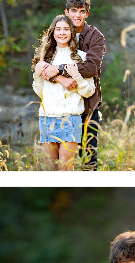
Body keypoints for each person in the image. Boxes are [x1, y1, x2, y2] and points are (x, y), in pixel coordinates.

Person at [31, 15, 96, 171]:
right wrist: (36, 75)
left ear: (72, 32)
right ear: (52, 32)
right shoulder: (45, 57)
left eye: (66, 29)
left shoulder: (81, 57)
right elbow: (38, 90)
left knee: (66, 168)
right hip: (47, 117)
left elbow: (89, 91)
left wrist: (77, 76)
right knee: (50, 168)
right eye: (58, 29)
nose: (62, 33)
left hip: (70, 118)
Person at [63, 0, 105, 172]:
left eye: (82, 11)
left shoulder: (96, 37)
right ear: (66, 12)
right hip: (61, 105)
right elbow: (40, 62)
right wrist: (60, 78)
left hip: (88, 105)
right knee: (63, 160)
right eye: (74, 11)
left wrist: (57, 70)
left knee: (88, 157)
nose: (77, 15)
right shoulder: (59, 31)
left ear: (87, 14)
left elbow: (90, 69)